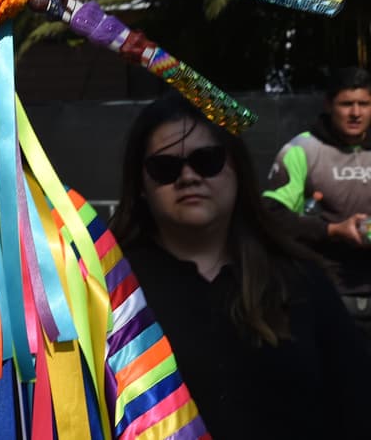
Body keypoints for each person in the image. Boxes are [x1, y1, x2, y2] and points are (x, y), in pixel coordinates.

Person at [111, 91, 364, 440]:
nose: (188, 177)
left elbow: (356, 405)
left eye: (207, 160)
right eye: (165, 168)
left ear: (237, 168)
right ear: (141, 184)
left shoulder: (301, 280)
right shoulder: (116, 291)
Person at [263, 66, 371, 338]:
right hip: (326, 293)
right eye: (347, 104)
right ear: (329, 105)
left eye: (364, 104)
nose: (356, 113)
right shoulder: (302, 151)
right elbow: (270, 217)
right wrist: (332, 230)